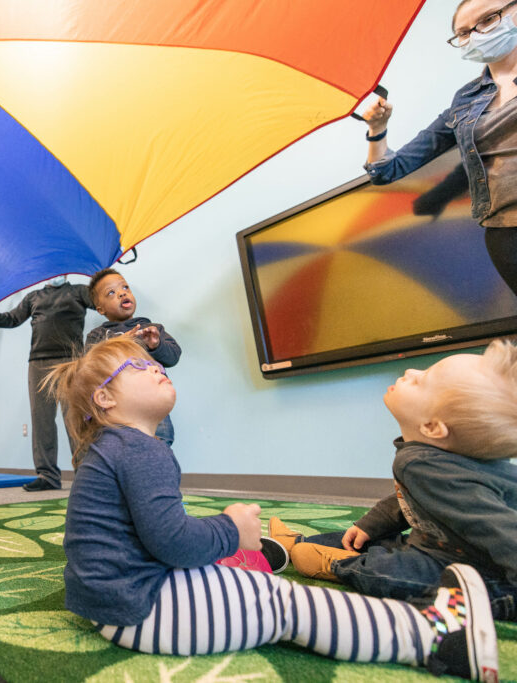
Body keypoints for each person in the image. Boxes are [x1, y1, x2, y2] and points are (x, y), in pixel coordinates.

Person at [44, 336, 498, 680]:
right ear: (105, 398)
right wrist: (230, 528)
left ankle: (257, 558)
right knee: (286, 605)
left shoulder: (113, 448)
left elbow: (148, 533)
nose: (156, 367)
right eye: (137, 366)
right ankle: (437, 638)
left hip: (113, 602)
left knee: (236, 580)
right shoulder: (141, 450)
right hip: (141, 609)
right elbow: (172, 543)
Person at [270, 339, 517, 622]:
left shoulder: (428, 466)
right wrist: (368, 526)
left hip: (479, 573)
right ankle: (296, 543)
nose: (410, 371)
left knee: (393, 571)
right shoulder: (430, 461)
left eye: (421, 381)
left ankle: (344, 567)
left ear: (433, 427)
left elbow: (501, 530)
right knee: (369, 539)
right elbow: (410, 499)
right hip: (433, 543)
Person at [363, 0, 517, 297]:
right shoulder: (465, 101)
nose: (476, 34)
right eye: (464, 32)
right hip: (506, 234)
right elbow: (385, 171)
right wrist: (377, 129)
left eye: (488, 20)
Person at [0, 275, 94, 491]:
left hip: (72, 361)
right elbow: (11, 319)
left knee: (76, 420)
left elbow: (104, 303)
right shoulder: (33, 297)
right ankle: (47, 476)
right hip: (39, 363)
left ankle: (86, 475)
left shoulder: (79, 291)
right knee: (41, 421)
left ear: (67, 273)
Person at [85, 268, 181, 446]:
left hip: (153, 405)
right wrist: (117, 344)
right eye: (111, 292)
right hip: (116, 411)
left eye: (125, 288)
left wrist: (155, 345)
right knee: (120, 450)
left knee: (159, 447)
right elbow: (89, 367)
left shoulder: (152, 328)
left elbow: (174, 356)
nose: (122, 293)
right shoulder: (97, 335)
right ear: (100, 309)